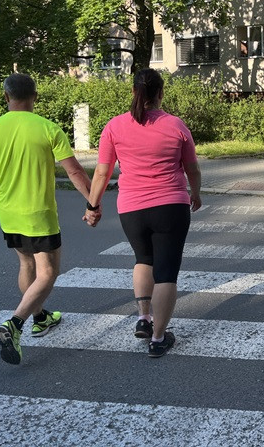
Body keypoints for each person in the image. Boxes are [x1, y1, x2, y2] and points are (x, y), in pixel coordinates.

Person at [0, 73, 93, 365]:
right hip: (39, 214)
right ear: (35, 97)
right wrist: (93, 201)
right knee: (48, 272)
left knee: (26, 263)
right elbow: (75, 172)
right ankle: (14, 324)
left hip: (8, 213)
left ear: (6, 97)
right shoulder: (48, 128)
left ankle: (40, 317)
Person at [83, 68, 201, 358]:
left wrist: (92, 205)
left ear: (133, 92)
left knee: (142, 259)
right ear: (161, 93)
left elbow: (102, 172)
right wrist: (195, 193)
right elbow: (192, 168)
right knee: (166, 273)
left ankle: (144, 318)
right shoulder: (175, 125)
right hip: (171, 206)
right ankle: (159, 339)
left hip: (131, 208)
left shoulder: (114, 126)